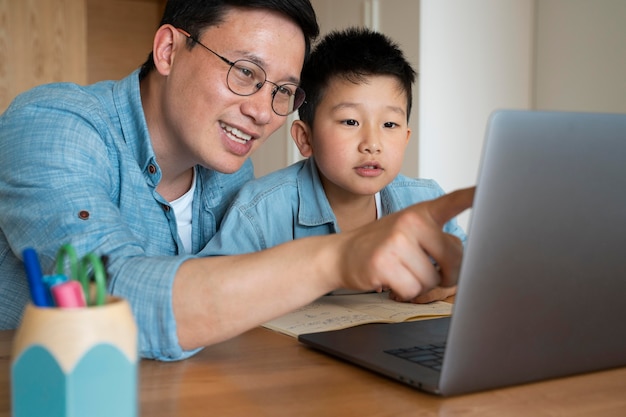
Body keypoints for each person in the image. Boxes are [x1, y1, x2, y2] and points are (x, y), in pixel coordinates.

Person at [0, 0, 474, 361]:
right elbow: (109, 303)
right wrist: (337, 258)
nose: (263, 112)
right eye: (245, 72)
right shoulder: (54, 125)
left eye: (283, 91)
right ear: (168, 50)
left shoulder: (228, 171)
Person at [206, 27, 466, 303]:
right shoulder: (260, 210)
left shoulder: (426, 200)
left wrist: (448, 283)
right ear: (306, 138)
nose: (372, 143)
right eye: (350, 121)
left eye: (389, 124)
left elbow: (479, 268)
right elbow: (209, 294)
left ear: (405, 138)